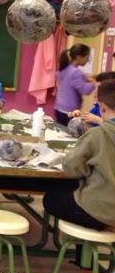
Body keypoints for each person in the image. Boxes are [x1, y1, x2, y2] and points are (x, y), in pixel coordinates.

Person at [43, 79, 115, 231]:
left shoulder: (97, 134)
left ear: (101, 107)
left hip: (104, 209)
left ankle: (106, 224)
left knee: (51, 199)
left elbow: (72, 169)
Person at [54, 44, 95, 126]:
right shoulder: (76, 72)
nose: (87, 60)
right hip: (69, 111)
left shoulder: (65, 68)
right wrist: (94, 83)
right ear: (78, 57)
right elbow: (84, 90)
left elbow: (69, 79)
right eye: (87, 57)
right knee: (69, 132)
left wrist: (83, 77)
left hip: (59, 107)